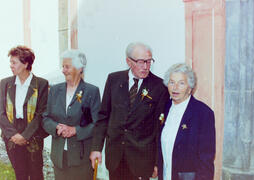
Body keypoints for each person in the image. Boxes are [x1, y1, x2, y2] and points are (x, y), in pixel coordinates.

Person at [89, 42, 169, 180]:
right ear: (128, 61)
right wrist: (96, 148)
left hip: (141, 161)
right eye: (140, 62)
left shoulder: (159, 87)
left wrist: (157, 163)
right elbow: (103, 117)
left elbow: (159, 129)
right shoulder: (114, 79)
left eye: (149, 61)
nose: (145, 67)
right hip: (115, 157)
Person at [42, 49, 101, 180]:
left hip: (81, 157)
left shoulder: (91, 91)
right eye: (63, 66)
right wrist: (56, 127)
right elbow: (45, 118)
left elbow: (97, 123)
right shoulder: (55, 90)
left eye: (67, 66)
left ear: (80, 68)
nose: (63, 70)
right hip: (59, 156)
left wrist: (76, 130)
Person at [158, 63, 216, 180]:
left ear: (190, 88)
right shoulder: (164, 107)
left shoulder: (203, 113)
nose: (175, 88)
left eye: (181, 83)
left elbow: (206, 158)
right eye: (172, 82)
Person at [0, 45, 48, 180]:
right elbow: (1, 112)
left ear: (26, 63)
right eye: (10, 62)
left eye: (14, 62)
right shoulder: (5, 83)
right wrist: (13, 135)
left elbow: (41, 113)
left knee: (36, 174)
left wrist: (25, 136)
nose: (11, 65)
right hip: (12, 135)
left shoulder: (41, 84)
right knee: (20, 174)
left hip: (33, 134)